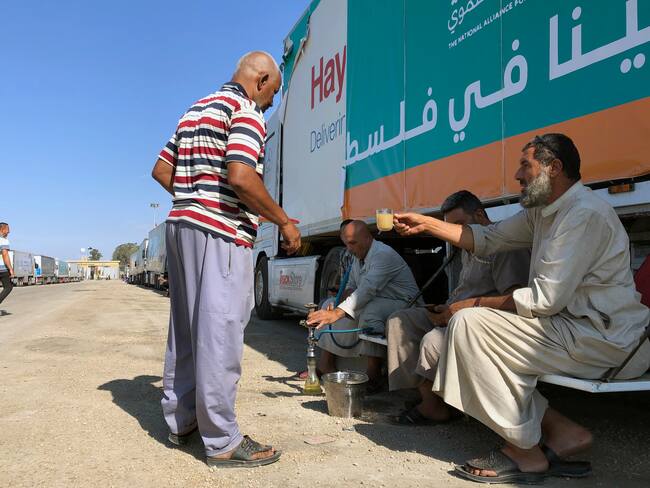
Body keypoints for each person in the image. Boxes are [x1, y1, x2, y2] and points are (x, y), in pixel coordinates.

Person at [394, 133, 650, 483]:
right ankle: (564, 434)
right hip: (569, 330)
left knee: (470, 325)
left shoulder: (584, 213)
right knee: (472, 329)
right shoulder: (543, 212)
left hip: (605, 339)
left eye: (524, 165)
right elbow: (488, 238)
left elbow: (544, 300)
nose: (517, 175)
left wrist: (472, 304)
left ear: (554, 168)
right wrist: (429, 224)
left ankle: (525, 453)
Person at [151, 51, 301, 468]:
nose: (269, 104)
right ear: (262, 79)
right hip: (221, 233)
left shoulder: (194, 110)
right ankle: (222, 440)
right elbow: (240, 175)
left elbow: (162, 170)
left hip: (181, 227)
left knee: (185, 328)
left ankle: (181, 422)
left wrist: (194, 198)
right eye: (271, 94)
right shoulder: (245, 110)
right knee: (219, 332)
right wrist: (284, 222)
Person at [386, 191, 530, 424]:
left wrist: (459, 310)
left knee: (434, 339)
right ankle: (424, 394)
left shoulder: (504, 248)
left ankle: (434, 407)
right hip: (455, 311)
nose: (453, 233)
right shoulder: (466, 247)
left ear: (480, 215)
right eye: (449, 227)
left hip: (482, 319)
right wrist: (445, 308)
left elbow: (515, 301)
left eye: (459, 224)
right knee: (400, 320)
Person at [306, 220, 420, 393]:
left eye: (353, 243)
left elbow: (367, 290)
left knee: (369, 310)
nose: (349, 248)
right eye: (346, 244)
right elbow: (352, 287)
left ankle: (374, 374)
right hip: (378, 299)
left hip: (406, 303)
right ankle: (326, 364)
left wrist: (337, 313)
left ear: (368, 238)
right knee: (328, 304)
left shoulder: (383, 254)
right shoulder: (357, 256)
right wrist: (336, 304)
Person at [0, 223, 14, 308]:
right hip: (2, 269)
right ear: (2, 229)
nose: (9, 231)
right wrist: (11, 269)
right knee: (8, 287)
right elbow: (5, 255)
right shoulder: (3, 240)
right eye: (7, 229)